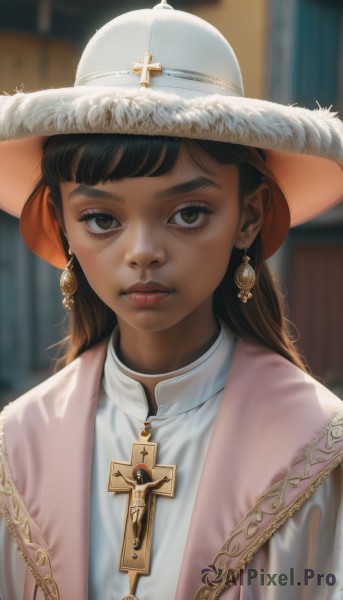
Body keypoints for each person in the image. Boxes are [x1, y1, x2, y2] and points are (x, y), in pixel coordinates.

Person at [0, 2, 343, 599]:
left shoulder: (318, 447)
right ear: (60, 224)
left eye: (189, 213)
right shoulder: (16, 445)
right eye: (101, 218)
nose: (143, 252)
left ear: (249, 215)